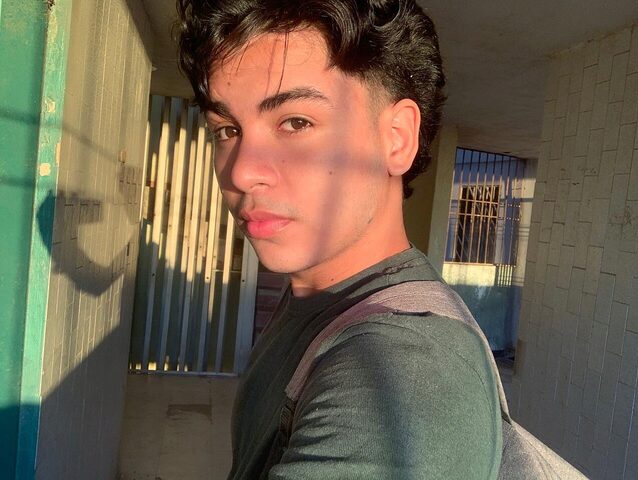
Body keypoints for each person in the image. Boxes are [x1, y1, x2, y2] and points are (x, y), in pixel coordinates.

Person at [177, 1, 502, 478]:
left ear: (396, 138)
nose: (242, 172)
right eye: (227, 129)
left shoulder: (406, 373)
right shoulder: (314, 292)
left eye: (296, 122)